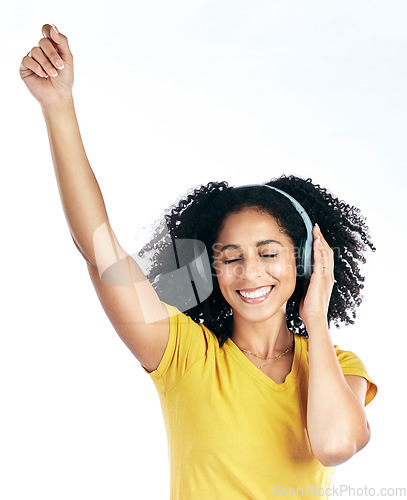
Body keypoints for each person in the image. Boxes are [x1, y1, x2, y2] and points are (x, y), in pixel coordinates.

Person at [20, 24, 378, 500]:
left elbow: (335, 445)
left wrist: (316, 320)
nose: (250, 272)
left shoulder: (337, 364)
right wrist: (59, 108)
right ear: (212, 269)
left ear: (305, 259)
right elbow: (100, 253)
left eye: (268, 254)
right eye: (231, 258)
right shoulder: (187, 355)